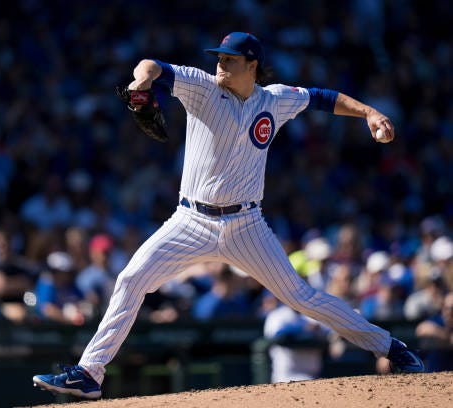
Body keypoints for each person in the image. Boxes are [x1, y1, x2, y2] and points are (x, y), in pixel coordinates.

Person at [33, 31, 424, 399]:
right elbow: (152, 65)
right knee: (131, 278)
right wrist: (140, 83)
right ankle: (89, 374)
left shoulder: (274, 99)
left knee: (302, 296)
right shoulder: (202, 88)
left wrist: (369, 112)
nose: (220, 64)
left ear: (252, 65)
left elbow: (324, 98)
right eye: (218, 57)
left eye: (229, 59)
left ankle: (391, 347)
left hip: (246, 226)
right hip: (190, 221)